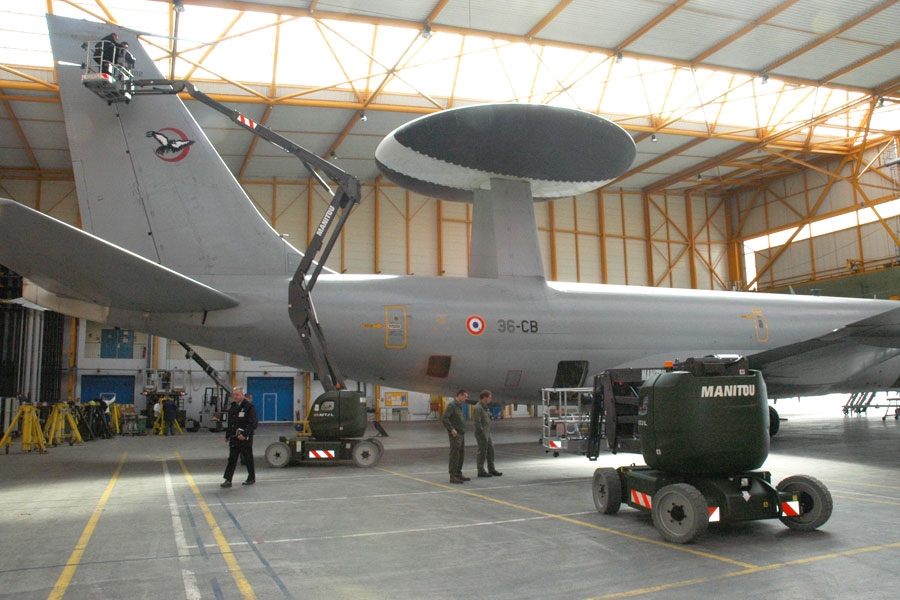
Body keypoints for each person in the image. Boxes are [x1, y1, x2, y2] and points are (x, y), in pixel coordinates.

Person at [221, 387, 258, 487]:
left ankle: (251, 477)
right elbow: (231, 422)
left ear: (242, 395)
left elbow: (253, 423)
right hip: (234, 438)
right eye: (234, 395)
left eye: (237, 395)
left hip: (244, 438)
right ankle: (228, 480)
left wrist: (245, 434)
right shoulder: (233, 406)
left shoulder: (249, 407)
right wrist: (227, 435)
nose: (235, 397)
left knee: (248, 458)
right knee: (232, 459)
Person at [441, 389, 470, 484]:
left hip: (461, 434)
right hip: (455, 434)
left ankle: (458, 473)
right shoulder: (452, 406)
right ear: (460, 395)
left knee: (461, 454)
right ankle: (452, 476)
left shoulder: (459, 406)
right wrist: (451, 429)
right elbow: (444, 418)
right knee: (454, 454)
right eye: (465, 396)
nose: (466, 398)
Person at [474, 390, 502, 477]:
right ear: (485, 397)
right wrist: (481, 433)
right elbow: (477, 422)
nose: (491, 399)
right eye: (489, 397)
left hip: (487, 433)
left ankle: (491, 469)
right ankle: (480, 470)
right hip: (482, 433)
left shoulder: (485, 407)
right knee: (482, 452)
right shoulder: (478, 408)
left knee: (491, 451)